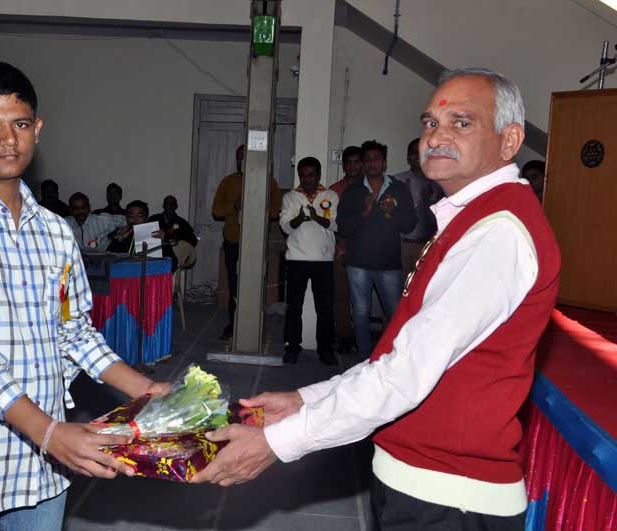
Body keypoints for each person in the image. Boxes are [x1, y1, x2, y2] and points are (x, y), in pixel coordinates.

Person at [192, 67, 561, 531]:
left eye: (461, 122)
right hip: (427, 484)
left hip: (450, 498)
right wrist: (306, 399)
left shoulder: (498, 233)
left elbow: (405, 373)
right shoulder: (474, 220)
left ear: (510, 140)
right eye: (430, 123)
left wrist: (279, 442)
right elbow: (398, 355)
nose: (436, 137)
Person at [0, 61, 168, 529]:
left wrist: (146, 390)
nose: (9, 139)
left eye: (21, 124)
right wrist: (49, 433)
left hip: (42, 472)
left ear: (38, 129)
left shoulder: (55, 231)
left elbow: (74, 332)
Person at [337, 140, 417, 359]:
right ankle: (364, 360)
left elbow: (409, 225)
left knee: (394, 313)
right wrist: (364, 212)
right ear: (363, 164)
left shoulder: (398, 188)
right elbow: (342, 227)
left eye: (377, 159)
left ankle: (393, 360)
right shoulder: (353, 191)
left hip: (388, 264)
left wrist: (394, 210)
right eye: (368, 159)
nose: (373, 163)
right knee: (360, 313)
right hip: (358, 263)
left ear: (384, 163)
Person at [211, 145, 282, 340]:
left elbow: (277, 211)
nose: (243, 160)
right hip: (233, 241)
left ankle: (253, 325)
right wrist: (235, 206)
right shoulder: (229, 181)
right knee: (234, 285)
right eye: (240, 157)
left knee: (254, 284)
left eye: (247, 156)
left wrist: (258, 205)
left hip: (257, 242)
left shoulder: (269, 182)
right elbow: (216, 210)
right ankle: (233, 324)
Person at [279, 157, 339, 365]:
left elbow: (334, 224)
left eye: (311, 175)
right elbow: (285, 227)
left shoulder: (330, 195)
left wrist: (315, 217)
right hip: (297, 259)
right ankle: (292, 347)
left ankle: (325, 349)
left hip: (323, 260)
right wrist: (299, 219)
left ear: (319, 175)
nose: (307, 179)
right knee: (294, 306)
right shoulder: (290, 197)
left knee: (325, 307)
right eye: (303, 175)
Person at [329, 146, 363, 353]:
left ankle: (362, 338)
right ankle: (344, 337)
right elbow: (329, 223)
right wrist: (337, 246)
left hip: (364, 252)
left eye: (356, 162)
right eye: (348, 162)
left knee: (361, 300)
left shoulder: (370, 187)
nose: (352, 166)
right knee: (340, 298)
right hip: (339, 250)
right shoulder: (334, 190)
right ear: (343, 165)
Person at [393, 138, 444, 274]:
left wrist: (430, 200)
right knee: (402, 284)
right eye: (412, 153)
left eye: (420, 152)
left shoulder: (438, 182)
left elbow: (440, 219)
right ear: (407, 157)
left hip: (429, 245)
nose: (416, 156)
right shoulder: (397, 181)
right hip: (402, 245)